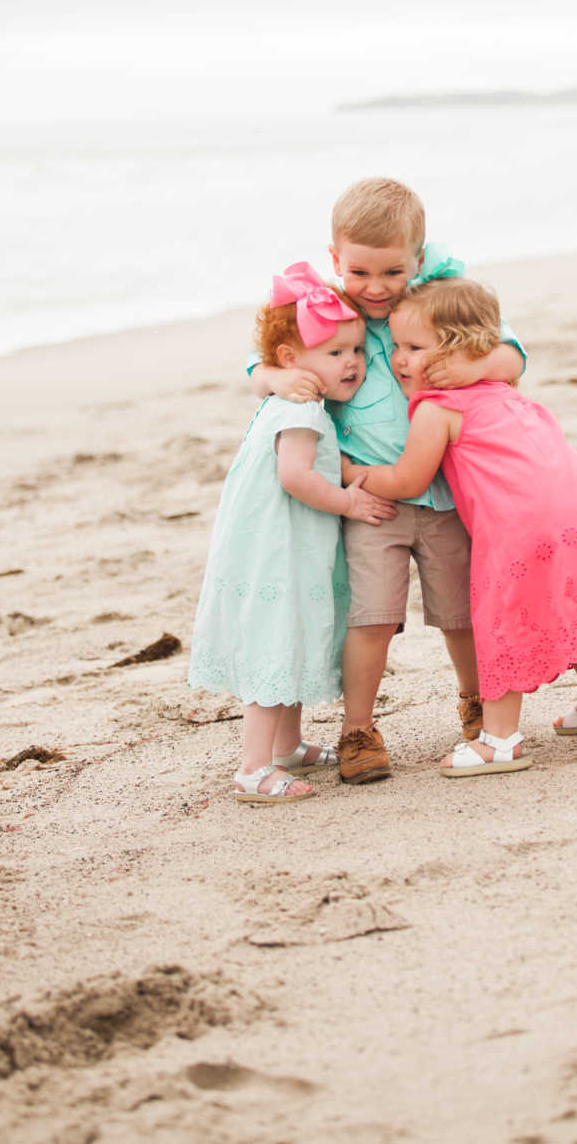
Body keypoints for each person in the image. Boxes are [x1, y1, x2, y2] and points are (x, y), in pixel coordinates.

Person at [247, 178, 526, 783]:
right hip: (373, 501)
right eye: (360, 272)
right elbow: (272, 358)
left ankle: (478, 707)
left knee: (461, 614)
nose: (375, 288)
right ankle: (358, 729)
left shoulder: (440, 299)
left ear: (418, 261)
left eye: (393, 272)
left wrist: (470, 363)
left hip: (449, 493)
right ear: (335, 260)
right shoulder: (326, 311)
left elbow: (512, 358)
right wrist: (269, 376)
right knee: (370, 617)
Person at [351, 277, 577, 776]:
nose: (398, 359)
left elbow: (407, 479)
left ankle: (500, 740)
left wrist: (351, 473)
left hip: (520, 527)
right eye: (397, 347)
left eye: (412, 348)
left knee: (501, 622)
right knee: (574, 600)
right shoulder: (504, 389)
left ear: (454, 352)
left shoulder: (438, 407)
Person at [189, 263, 396, 804]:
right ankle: (254, 768)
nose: (351, 362)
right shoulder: (301, 409)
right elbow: (295, 476)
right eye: (334, 353)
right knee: (274, 647)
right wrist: (349, 501)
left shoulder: (295, 401)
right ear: (290, 361)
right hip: (276, 548)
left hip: (282, 543)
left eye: (356, 350)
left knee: (291, 638)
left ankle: (288, 746)